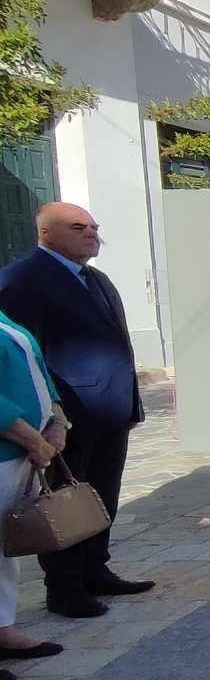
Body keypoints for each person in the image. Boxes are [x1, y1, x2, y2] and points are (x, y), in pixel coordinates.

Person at [0, 202, 150, 618]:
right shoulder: (23, 280)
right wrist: (52, 416)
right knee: (62, 502)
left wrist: (131, 402)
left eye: (94, 226)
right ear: (46, 233)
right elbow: (24, 355)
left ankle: (95, 569)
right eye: (78, 227)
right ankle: (63, 588)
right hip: (63, 418)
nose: (91, 233)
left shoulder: (95, 279)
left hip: (110, 411)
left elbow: (117, 344)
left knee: (101, 496)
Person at [0, 305, 71, 680]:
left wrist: (57, 419)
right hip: (11, 446)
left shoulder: (4, 316)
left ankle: (3, 630)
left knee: (3, 548)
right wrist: (30, 437)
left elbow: (37, 370)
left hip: (18, 455)